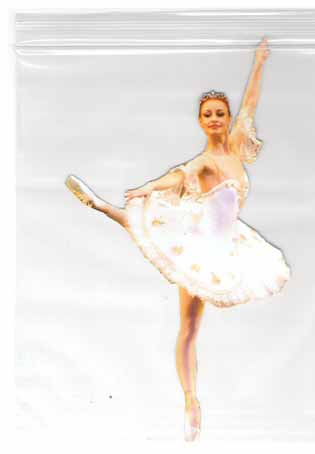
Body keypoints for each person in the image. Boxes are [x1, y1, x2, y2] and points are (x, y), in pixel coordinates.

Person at [65, 37, 290, 442]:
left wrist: (259, 62)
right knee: (187, 326)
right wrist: (147, 186)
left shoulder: (236, 148)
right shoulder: (202, 162)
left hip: (230, 244)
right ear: (200, 121)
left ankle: (100, 205)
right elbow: (176, 175)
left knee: (188, 312)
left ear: (227, 117)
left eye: (220, 113)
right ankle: (190, 400)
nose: (215, 118)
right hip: (201, 245)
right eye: (208, 114)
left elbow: (252, 102)